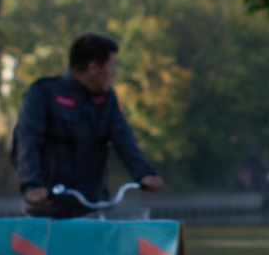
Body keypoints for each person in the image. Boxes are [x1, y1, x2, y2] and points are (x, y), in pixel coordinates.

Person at [13, 32, 165, 218]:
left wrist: (145, 174)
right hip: (47, 205)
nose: (114, 73)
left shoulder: (107, 100)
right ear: (93, 68)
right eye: (112, 66)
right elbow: (27, 141)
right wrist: (32, 186)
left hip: (93, 206)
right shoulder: (42, 93)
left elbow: (125, 140)